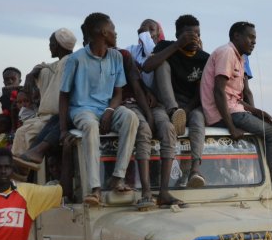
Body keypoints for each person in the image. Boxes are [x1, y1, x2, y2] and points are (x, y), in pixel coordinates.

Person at [200, 21, 272, 203]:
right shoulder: (226, 53)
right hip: (223, 114)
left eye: (255, 38)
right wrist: (230, 127)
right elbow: (218, 92)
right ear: (236, 36)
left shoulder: (239, 58)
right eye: (250, 37)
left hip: (234, 109)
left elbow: (233, 96)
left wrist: (256, 111)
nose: (254, 42)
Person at [59, 12, 138, 206]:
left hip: (106, 108)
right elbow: (64, 95)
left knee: (130, 117)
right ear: (103, 33)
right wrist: (62, 130)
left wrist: (110, 111)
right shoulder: (76, 59)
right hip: (82, 110)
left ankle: (117, 177)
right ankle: (94, 188)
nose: (115, 34)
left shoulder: (116, 57)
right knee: (90, 127)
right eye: (113, 30)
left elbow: (118, 93)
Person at [143, 14, 209, 186]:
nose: (195, 39)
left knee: (198, 117)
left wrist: (186, 111)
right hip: (164, 104)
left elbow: (201, 92)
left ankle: (195, 168)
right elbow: (147, 66)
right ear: (179, 35)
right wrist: (177, 45)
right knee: (162, 64)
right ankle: (173, 111)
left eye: (198, 35)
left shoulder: (204, 58)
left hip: (189, 105)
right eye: (190, 35)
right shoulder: (165, 47)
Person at [117, 46, 180, 209]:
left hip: (151, 104)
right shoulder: (118, 57)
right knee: (143, 129)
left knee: (168, 128)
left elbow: (140, 84)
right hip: (129, 104)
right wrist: (149, 115)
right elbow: (135, 88)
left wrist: (149, 96)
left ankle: (164, 192)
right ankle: (146, 192)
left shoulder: (129, 58)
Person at [11, 28, 77, 166]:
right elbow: (42, 66)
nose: (49, 46)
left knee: (24, 134)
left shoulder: (69, 62)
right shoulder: (55, 65)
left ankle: (18, 174)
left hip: (60, 116)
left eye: (51, 43)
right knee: (22, 132)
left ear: (58, 45)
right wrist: (30, 75)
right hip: (47, 117)